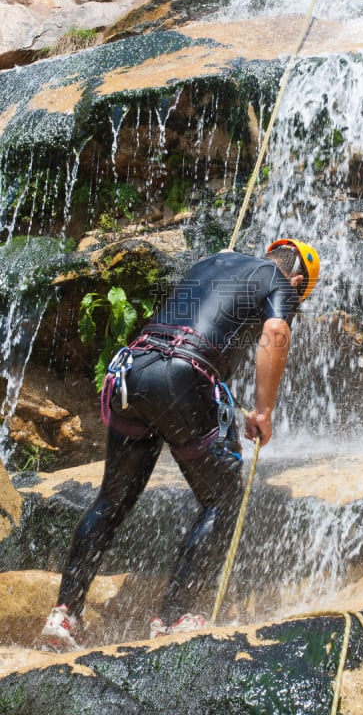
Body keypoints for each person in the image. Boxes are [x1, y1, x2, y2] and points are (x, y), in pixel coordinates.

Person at [40, 239, 320, 650]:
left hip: (134, 370)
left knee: (111, 501)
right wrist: (263, 411)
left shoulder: (217, 261)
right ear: (297, 281)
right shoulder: (281, 282)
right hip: (182, 375)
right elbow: (275, 331)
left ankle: (65, 615)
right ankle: (175, 617)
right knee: (222, 498)